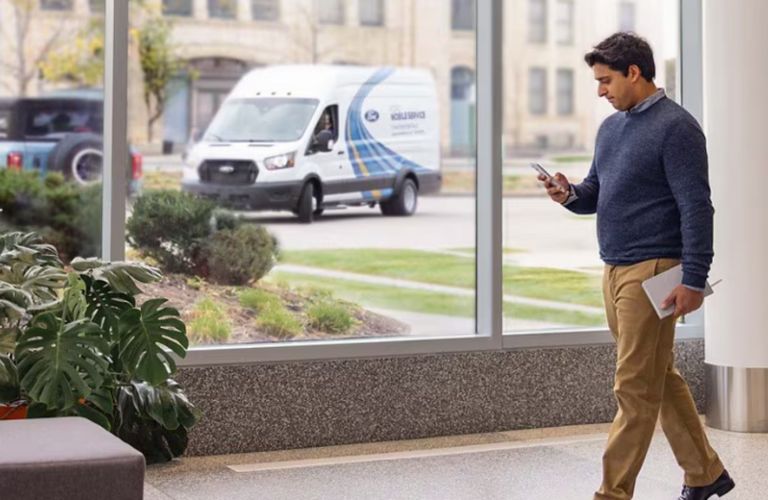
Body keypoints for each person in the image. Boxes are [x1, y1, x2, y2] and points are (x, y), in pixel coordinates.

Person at [538, 33, 735, 500]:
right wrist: (568, 194)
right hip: (615, 270)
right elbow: (596, 192)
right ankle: (706, 474)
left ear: (634, 72)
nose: (600, 91)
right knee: (656, 377)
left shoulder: (676, 127)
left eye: (606, 80)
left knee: (633, 388)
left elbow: (696, 207)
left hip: (655, 272)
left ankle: (612, 493)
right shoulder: (612, 129)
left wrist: (693, 277)